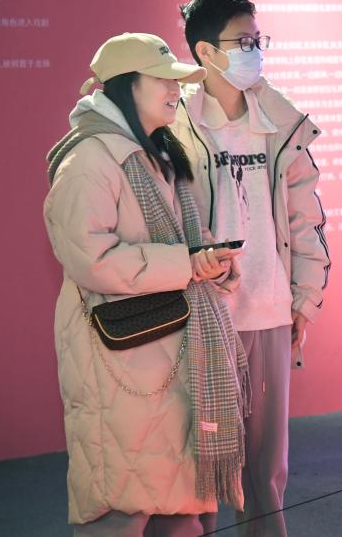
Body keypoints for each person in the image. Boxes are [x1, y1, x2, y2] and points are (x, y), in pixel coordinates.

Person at [44, 33, 250, 536]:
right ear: (126, 85)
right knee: (121, 511)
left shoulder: (156, 152)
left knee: (177, 508)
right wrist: (187, 264)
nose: (176, 90)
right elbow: (90, 259)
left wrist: (212, 262)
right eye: (164, 80)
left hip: (167, 355)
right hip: (120, 361)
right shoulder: (89, 160)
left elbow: (185, 240)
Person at [172, 0, 330, 536]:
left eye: (258, 40)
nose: (254, 52)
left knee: (266, 467)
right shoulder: (178, 123)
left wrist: (304, 299)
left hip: (269, 308)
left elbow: (306, 219)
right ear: (205, 52)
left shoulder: (279, 121)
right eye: (242, 42)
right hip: (203, 315)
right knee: (202, 461)